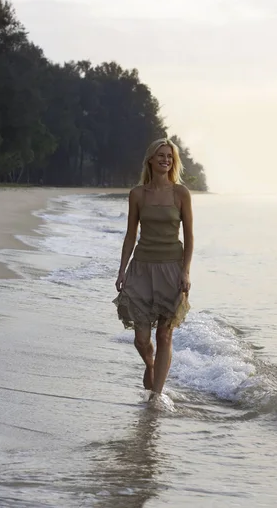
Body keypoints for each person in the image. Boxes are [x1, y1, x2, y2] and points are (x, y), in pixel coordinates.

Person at [113, 138, 194, 398]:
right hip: (142, 268)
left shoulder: (181, 193)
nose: (165, 160)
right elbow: (130, 234)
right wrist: (122, 269)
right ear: (150, 159)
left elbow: (190, 236)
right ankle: (150, 364)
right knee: (140, 337)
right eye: (161, 155)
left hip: (172, 269)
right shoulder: (137, 194)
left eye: (169, 157)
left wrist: (186, 271)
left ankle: (156, 397)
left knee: (165, 335)